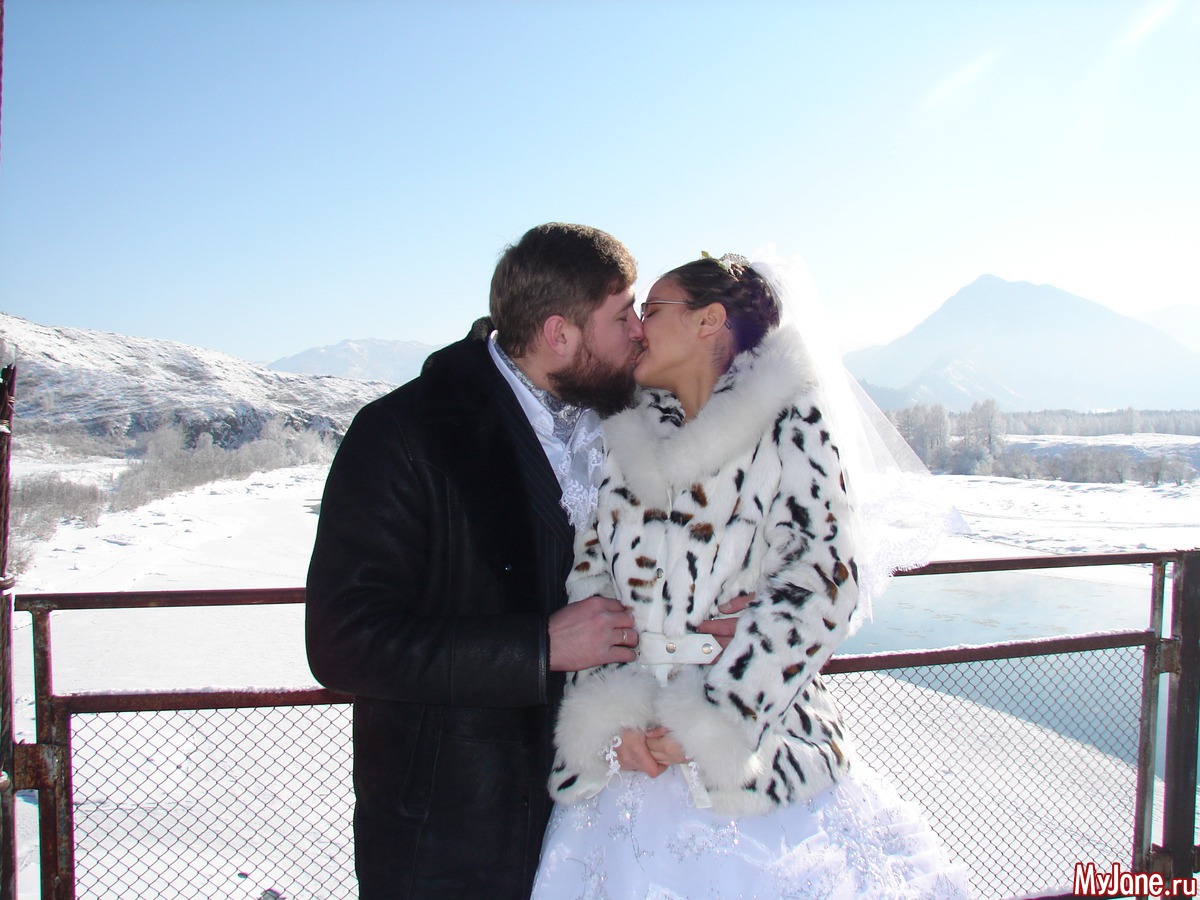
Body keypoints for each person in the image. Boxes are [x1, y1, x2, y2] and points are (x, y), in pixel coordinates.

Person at [533, 254, 971, 898]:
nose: (638, 328)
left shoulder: (790, 423)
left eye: (651, 310)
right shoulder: (621, 437)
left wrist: (721, 713)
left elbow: (825, 578)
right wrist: (608, 717)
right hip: (627, 760)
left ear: (709, 320)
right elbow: (592, 583)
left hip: (753, 752)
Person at [307, 223, 720, 898]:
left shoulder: (631, 418)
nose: (639, 332)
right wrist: (539, 647)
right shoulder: (404, 435)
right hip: (452, 829)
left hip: (599, 812)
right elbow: (342, 642)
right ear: (559, 334)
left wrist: (723, 614)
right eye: (622, 316)